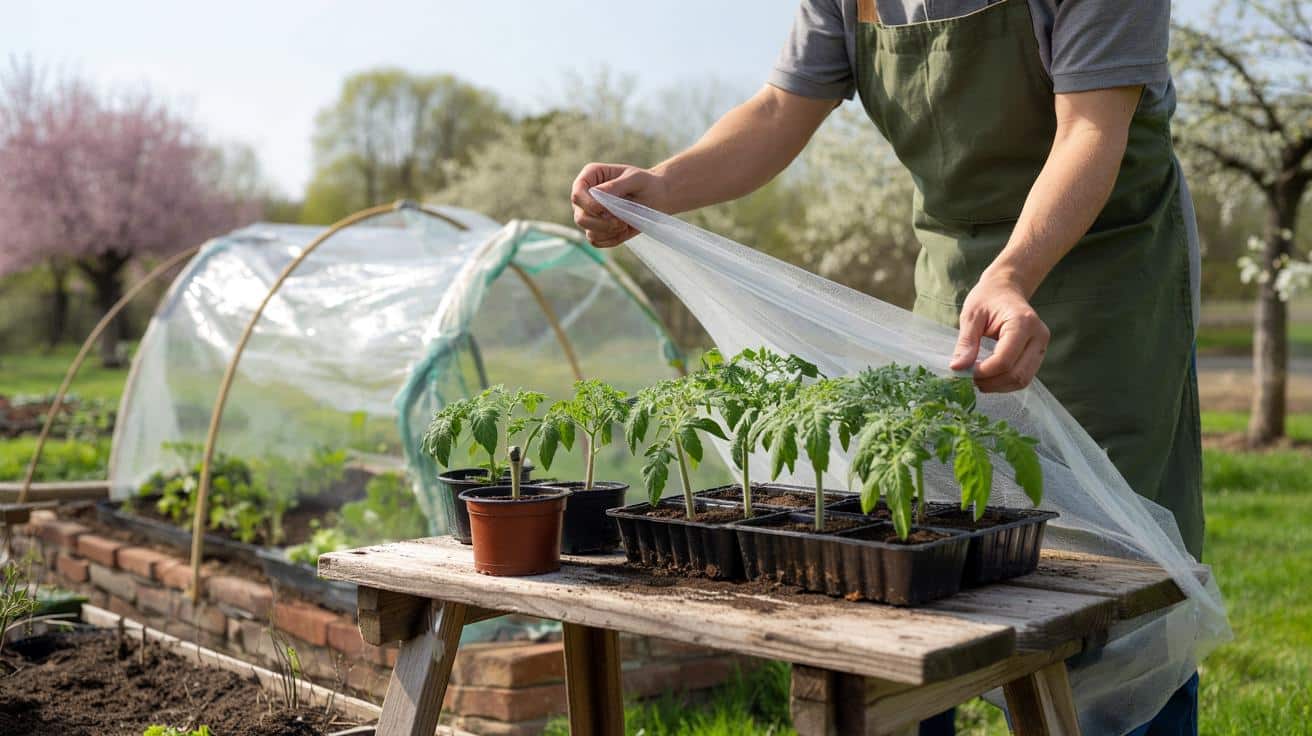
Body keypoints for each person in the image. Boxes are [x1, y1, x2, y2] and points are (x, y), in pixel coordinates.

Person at [570, 0, 1202, 733]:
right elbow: (780, 108)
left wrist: (1016, 272)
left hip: (1106, 271)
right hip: (958, 271)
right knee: (926, 541)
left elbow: (1092, 125)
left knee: (1110, 561)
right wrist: (666, 187)